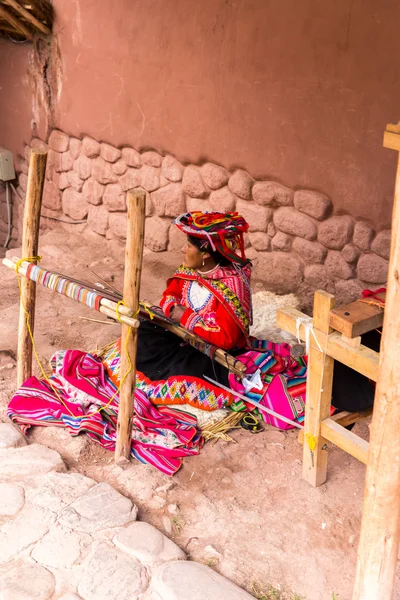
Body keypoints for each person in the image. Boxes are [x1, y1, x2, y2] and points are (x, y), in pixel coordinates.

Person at [134, 211, 252, 386]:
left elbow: (226, 338)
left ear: (205, 254)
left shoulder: (232, 285)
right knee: (142, 335)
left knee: (186, 373)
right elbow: (169, 296)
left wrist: (186, 317)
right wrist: (173, 308)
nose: (183, 249)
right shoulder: (190, 271)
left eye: (189, 246)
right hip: (181, 336)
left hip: (211, 351)